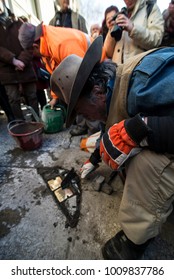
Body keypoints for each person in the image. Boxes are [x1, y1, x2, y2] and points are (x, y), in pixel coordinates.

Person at [50, 36, 174, 260]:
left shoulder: (142, 86)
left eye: (79, 109)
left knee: (144, 163)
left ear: (97, 91)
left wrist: (143, 129)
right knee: (118, 138)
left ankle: (135, 242)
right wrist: (94, 159)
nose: (81, 116)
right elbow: (113, 125)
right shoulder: (114, 86)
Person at [18, 21, 106, 134]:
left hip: (95, 67)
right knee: (76, 99)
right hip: (83, 71)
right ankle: (82, 126)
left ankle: (94, 131)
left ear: (35, 46)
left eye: (31, 53)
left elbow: (83, 80)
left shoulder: (62, 44)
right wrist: (55, 97)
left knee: (86, 98)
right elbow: (57, 74)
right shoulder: (45, 45)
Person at [0, 2, 39, 120]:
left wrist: (21, 60)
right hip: (6, 69)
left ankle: (36, 122)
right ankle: (20, 126)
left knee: (32, 96)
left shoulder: (19, 23)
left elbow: (29, 44)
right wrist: (12, 60)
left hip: (25, 66)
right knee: (13, 99)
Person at [104, 0, 164, 64]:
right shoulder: (122, 14)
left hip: (138, 70)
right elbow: (108, 53)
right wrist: (111, 31)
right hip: (117, 71)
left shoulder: (151, 9)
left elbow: (156, 40)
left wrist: (133, 28)